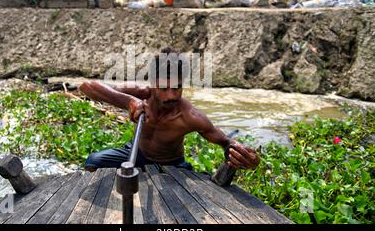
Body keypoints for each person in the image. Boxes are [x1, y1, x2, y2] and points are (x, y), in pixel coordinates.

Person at [79, 48, 260, 172]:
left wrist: (247, 157)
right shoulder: (141, 93)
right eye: (164, 88)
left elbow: (226, 142)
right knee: (93, 162)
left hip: (171, 165)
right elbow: (87, 86)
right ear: (153, 83)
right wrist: (129, 102)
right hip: (136, 153)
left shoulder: (190, 116)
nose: (172, 96)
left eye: (177, 88)